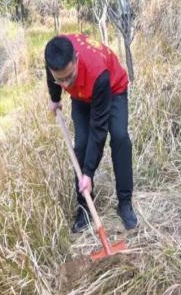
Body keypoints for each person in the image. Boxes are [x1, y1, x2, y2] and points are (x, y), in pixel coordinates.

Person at [45, 34, 138, 233]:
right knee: (81, 145)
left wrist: (88, 172)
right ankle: (85, 208)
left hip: (112, 90)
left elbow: (99, 128)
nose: (65, 84)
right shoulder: (54, 56)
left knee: (120, 137)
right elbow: (54, 76)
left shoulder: (99, 73)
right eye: (60, 80)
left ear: (76, 59)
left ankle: (124, 202)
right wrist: (55, 98)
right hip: (82, 96)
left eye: (69, 77)